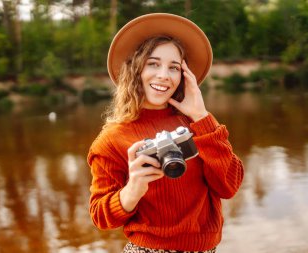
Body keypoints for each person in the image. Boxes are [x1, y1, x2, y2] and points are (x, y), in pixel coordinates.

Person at [87, 13, 244, 253]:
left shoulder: (197, 123)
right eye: (153, 64)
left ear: (184, 76)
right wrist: (131, 191)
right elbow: (100, 216)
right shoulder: (111, 139)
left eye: (174, 67)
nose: (163, 75)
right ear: (135, 69)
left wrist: (202, 117)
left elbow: (229, 186)